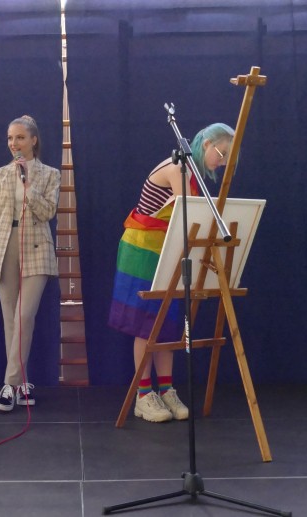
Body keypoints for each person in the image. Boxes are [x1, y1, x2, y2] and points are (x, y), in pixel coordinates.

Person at [108, 123, 234, 423]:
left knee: (167, 322)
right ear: (206, 144)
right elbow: (188, 214)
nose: (223, 162)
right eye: (222, 153)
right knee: (145, 324)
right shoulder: (179, 168)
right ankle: (143, 395)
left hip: (167, 246)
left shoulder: (193, 174)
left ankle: (166, 389)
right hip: (143, 247)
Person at [0, 115, 61, 412]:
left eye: (20, 138)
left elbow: (48, 212)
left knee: (25, 316)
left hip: (37, 248)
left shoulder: (50, 174)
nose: (14, 143)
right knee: (10, 318)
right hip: (4, 246)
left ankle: (9, 383)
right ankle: (22, 383)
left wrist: (28, 186)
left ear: (33, 140)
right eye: (10, 138)